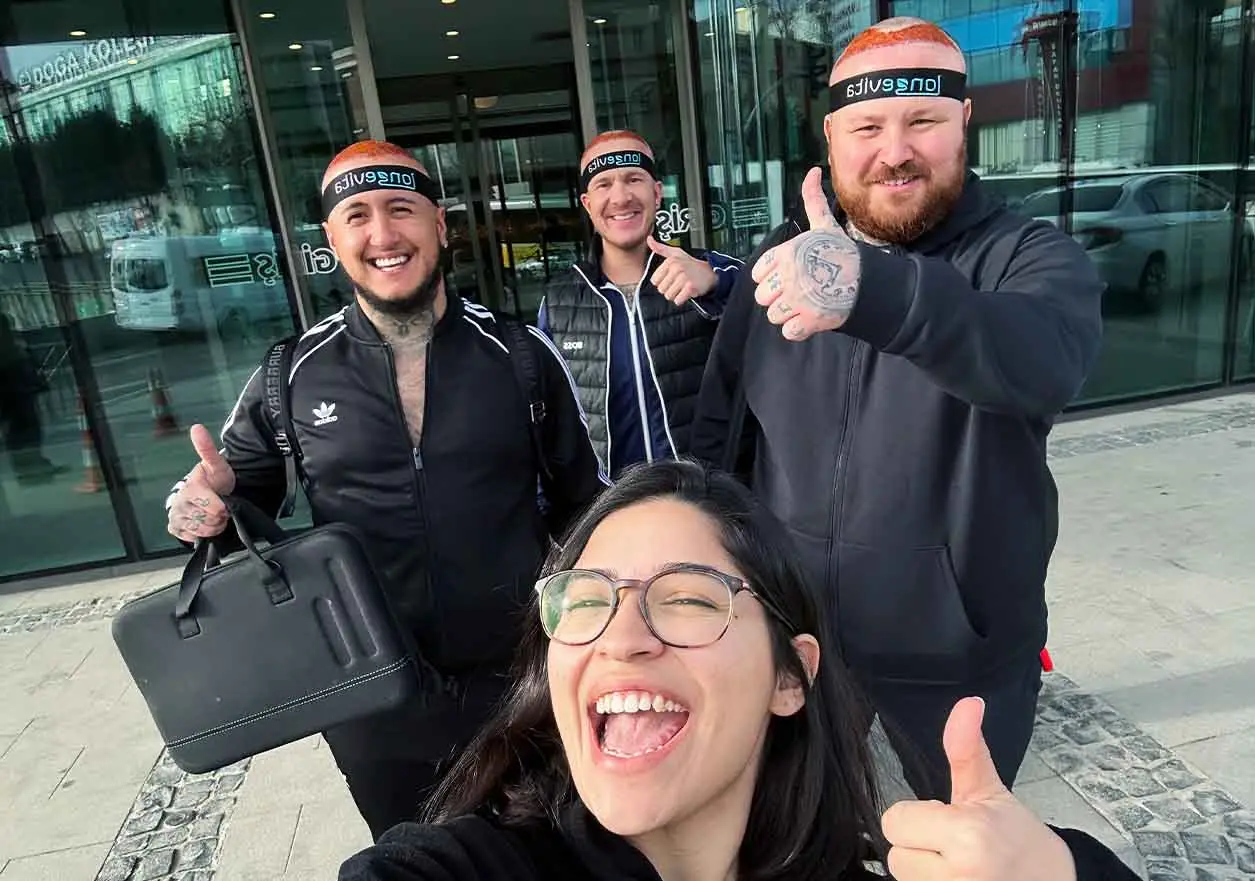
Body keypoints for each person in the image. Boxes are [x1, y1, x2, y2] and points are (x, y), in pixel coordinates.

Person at [337, 460, 1138, 881]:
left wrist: (1066, 873)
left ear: (790, 676)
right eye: (585, 599)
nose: (621, 637)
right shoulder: (469, 869)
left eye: (687, 598)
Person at [689, 17, 1105, 802]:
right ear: (830, 137)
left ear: (963, 125)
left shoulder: (1028, 257)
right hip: (800, 649)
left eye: (923, 121)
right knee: (808, 837)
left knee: (944, 853)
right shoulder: (778, 263)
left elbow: (1039, 359)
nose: (894, 150)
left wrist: (869, 289)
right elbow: (723, 434)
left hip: (958, 667)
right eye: (867, 126)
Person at [164, 140, 608, 840]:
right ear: (332, 242)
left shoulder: (518, 355)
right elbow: (230, 498)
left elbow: (589, 504)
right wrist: (204, 509)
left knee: (541, 849)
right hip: (370, 689)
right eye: (357, 215)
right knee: (413, 854)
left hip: (517, 678)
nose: (382, 234)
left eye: (401, 209)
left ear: (440, 223)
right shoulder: (291, 371)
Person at [537, 130, 742, 477]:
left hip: (703, 501)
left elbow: (768, 299)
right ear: (587, 204)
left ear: (657, 193)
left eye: (634, 179)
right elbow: (548, 423)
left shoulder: (705, 270)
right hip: (611, 511)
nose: (620, 196)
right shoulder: (560, 301)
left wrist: (716, 281)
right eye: (604, 184)